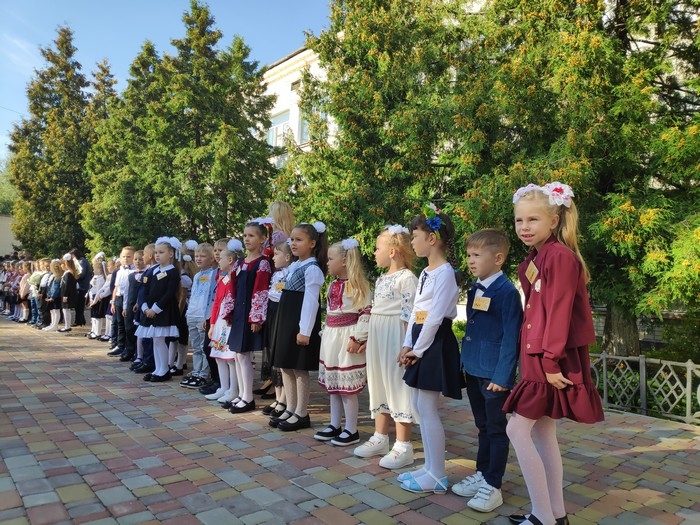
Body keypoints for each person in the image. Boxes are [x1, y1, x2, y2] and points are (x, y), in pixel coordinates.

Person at [505, 182, 604, 525]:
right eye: (519, 220)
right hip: (539, 355)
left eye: (533, 219)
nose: (524, 227)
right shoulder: (539, 257)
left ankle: (543, 517)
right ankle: (555, 514)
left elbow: (559, 311)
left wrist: (549, 360)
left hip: (549, 357)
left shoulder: (559, 256)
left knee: (517, 431)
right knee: (543, 432)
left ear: (554, 220)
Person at [451, 229, 523, 512]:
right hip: (474, 370)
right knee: (482, 426)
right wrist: (464, 365)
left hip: (494, 376)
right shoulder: (475, 288)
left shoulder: (507, 292)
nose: (470, 260)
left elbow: (511, 338)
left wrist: (503, 377)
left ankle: (493, 484)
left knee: (496, 429)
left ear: (498, 258)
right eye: (469, 255)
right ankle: (482, 472)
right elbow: (472, 330)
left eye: (477, 255)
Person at [397, 204, 463, 494]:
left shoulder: (445, 273)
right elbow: (417, 311)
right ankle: (429, 467)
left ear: (432, 238)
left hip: (434, 341)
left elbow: (435, 317)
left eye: (415, 236)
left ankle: (438, 474)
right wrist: (407, 344)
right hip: (420, 340)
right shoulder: (426, 272)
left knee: (427, 407)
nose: (412, 241)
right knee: (418, 405)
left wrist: (419, 349)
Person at [354, 225, 418, 469]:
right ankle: (380, 437)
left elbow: (410, 314)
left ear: (392, 252)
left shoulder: (407, 278)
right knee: (378, 381)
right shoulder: (381, 278)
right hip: (378, 335)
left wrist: (408, 345)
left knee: (397, 385)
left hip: (395, 335)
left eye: (377, 248)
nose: (374, 253)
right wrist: (364, 336)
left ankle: (403, 445)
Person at [270, 222, 328, 432]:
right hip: (287, 321)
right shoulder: (295, 265)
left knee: (299, 368)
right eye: (292, 240)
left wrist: (305, 331)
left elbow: (311, 302)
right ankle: (291, 407)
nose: (293, 243)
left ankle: (302, 412)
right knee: (286, 365)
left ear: (312, 243)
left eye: (299, 240)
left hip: (299, 323)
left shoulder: (312, 269)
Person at [314, 238, 371, 446]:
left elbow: (365, 313)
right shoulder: (333, 285)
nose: (327, 263)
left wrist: (358, 338)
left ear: (345, 261)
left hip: (348, 337)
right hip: (332, 337)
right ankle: (334, 424)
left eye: (331, 259)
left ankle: (351, 429)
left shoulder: (358, 286)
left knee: (346, 386)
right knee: (334, 384)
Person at [226, 221, 272, 413]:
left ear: (262, 239)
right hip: (238, 313)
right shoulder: (239, 263)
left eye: (251, 235)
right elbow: (232, 287)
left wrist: (256, 318)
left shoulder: (262, 263)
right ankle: (241, 393)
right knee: (237, 354)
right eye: (245, 235)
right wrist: (229, 311)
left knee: (244, 354)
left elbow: (260, 291)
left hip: (249, 314)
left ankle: (248, 397)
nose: (247, 239)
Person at [135, 237, 181, 382]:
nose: (157, 255)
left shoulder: (172, 272)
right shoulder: (154, 270)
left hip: (163, 310)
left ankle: (164, 370)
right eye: (156, 252)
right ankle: (158, 368)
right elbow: (145, 290)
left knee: (160, 340)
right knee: (156, 340)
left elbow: (169, 293)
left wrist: (155, 309)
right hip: (150, 311)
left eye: (161, 252)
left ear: (170, 254)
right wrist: (145, 307)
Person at [206, 239, 244, 403]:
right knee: (218, 355)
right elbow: (216, 302)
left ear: (229, 260)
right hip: (220, 322)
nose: (218, 261)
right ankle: (223, 387)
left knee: (230, 358)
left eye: (221, 258)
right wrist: (212, 324)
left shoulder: (237, 277)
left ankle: (233, 389)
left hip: (230, 323)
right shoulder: (221, 278)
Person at [261, 241, 294, 416]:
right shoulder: (277, 274)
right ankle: (279, 396)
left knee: (281, 359)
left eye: (276, 254)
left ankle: (285, 399)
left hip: (282, 312)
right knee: (274, 357)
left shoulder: (290, 274)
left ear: (287, 257)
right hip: (272, 311)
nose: (273, 258)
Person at [180, 242, 215, 389]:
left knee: (203, 346)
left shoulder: (214, 274)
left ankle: (204, 374)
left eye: (203, 256)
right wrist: (189, 313)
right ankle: (196, 371)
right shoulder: (197, 275)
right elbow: (193, 295)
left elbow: (211, 298)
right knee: (195, 347)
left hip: (203, 316)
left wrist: (208, 316)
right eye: (197, 256)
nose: (198, 259)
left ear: (212, 258)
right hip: (192, 314)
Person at [199, 238, 231, 395]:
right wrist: (207, 317)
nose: (217, 253)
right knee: (208, 348)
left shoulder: (229, 272)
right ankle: (216, 379)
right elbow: (211, 298)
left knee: (220, 350)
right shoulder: (216, 272)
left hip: (223, 318)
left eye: (221, 250)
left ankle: (223, 382)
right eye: (216, 250)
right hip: (212, 316)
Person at [108, 247, 135, 355]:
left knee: (128, 324)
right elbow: (116, 287)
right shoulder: (119, 271)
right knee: (120, 323)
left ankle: (129, 348)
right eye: (123, 256)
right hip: (119, 298)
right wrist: (113, 302)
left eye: (128, 256)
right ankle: (120, 345)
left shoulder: (134, 271)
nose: (126, 259)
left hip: (129, 298)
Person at [86, 255, 109, 340]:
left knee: (97, 316)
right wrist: (90, 298)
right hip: (93, 297)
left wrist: (94, 300)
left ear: (99, 270)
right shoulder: (96, 277)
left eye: (94, 269)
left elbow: (98, 290)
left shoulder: (100, 278)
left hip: (97, 298)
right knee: (93, 316)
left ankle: (98, 332)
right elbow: (91, 288)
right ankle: (94, 330)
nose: (93, 270)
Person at [70, 247, 92, 327]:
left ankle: (79, 320)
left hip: (82, 286)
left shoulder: (82, 261)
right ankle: (81, 319)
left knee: (79, 305)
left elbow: (81, 274)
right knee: (78, 305)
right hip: (80, 286)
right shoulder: (80, 261)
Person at [59, 254, 80, 332]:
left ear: (65, 264)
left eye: (62, 264)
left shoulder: (68, 274)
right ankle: (66, 325)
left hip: (67, 295)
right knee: (65, 310)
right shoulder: (67, 273)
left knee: (66, 310)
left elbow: (67, 286)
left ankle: (67, 326)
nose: (61, 266)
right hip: (66, 295)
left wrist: (65, 295)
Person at [43, 260, 63, 331]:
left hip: (56, 297)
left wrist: (52, 296)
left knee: (56, 310)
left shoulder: (57, 277)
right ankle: (52, 324)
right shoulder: (53, 276)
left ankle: (55, 325)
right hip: (51, 295)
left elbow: (56, 288)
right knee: (52, 310)